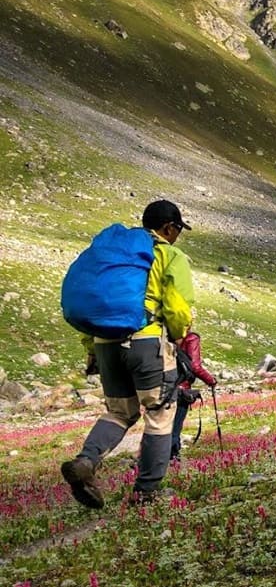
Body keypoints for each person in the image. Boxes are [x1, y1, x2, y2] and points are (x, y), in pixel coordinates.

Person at [61, 199, 196, 508]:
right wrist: (179, 338)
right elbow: (177, 307)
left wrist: (92, 349)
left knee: (119, 412)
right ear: (168, 228)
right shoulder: (168, 255)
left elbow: (93, 307)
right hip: (146, 342)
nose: (177, 236)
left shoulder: (114, 258)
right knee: (160, 414)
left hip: (105, 344)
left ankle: (86, 461)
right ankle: (147, 492)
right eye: (178, 230)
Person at [169, 330, 217, 461]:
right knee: (175, 427)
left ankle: (148, 460)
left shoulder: (162, 334)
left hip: (161, 386)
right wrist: (211, 380)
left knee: (160, 425)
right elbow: (195, 366)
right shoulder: (191, 338)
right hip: (180, 390)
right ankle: (172, 459)